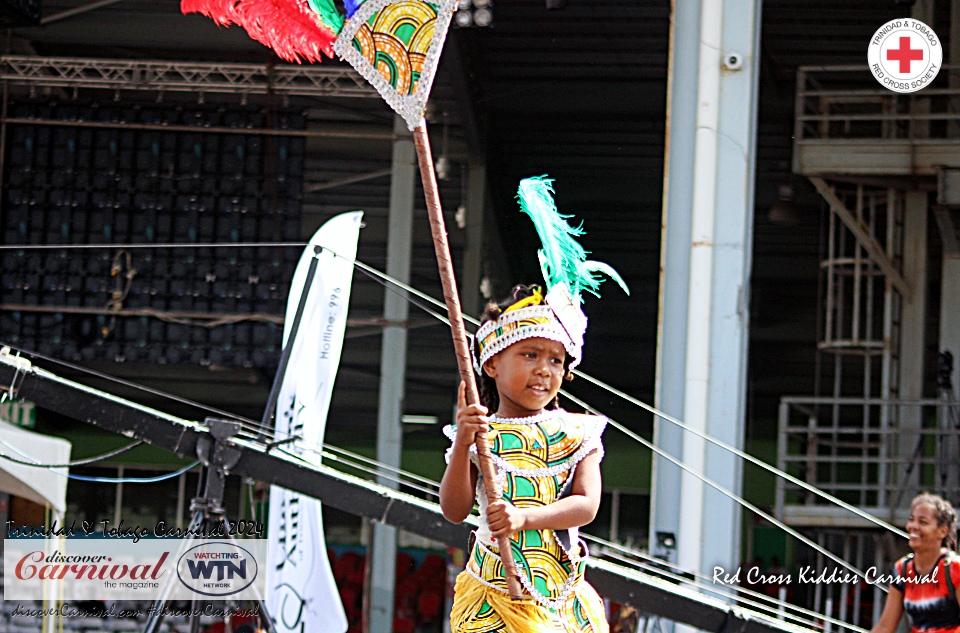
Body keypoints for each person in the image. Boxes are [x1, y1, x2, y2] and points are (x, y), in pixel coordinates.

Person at [869, 493, 960, 633]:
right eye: (911, 520)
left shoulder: (955, 568)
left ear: (942, 531)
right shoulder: (902, 569)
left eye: (923, 522)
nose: (913, 526)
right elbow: (885, 627)